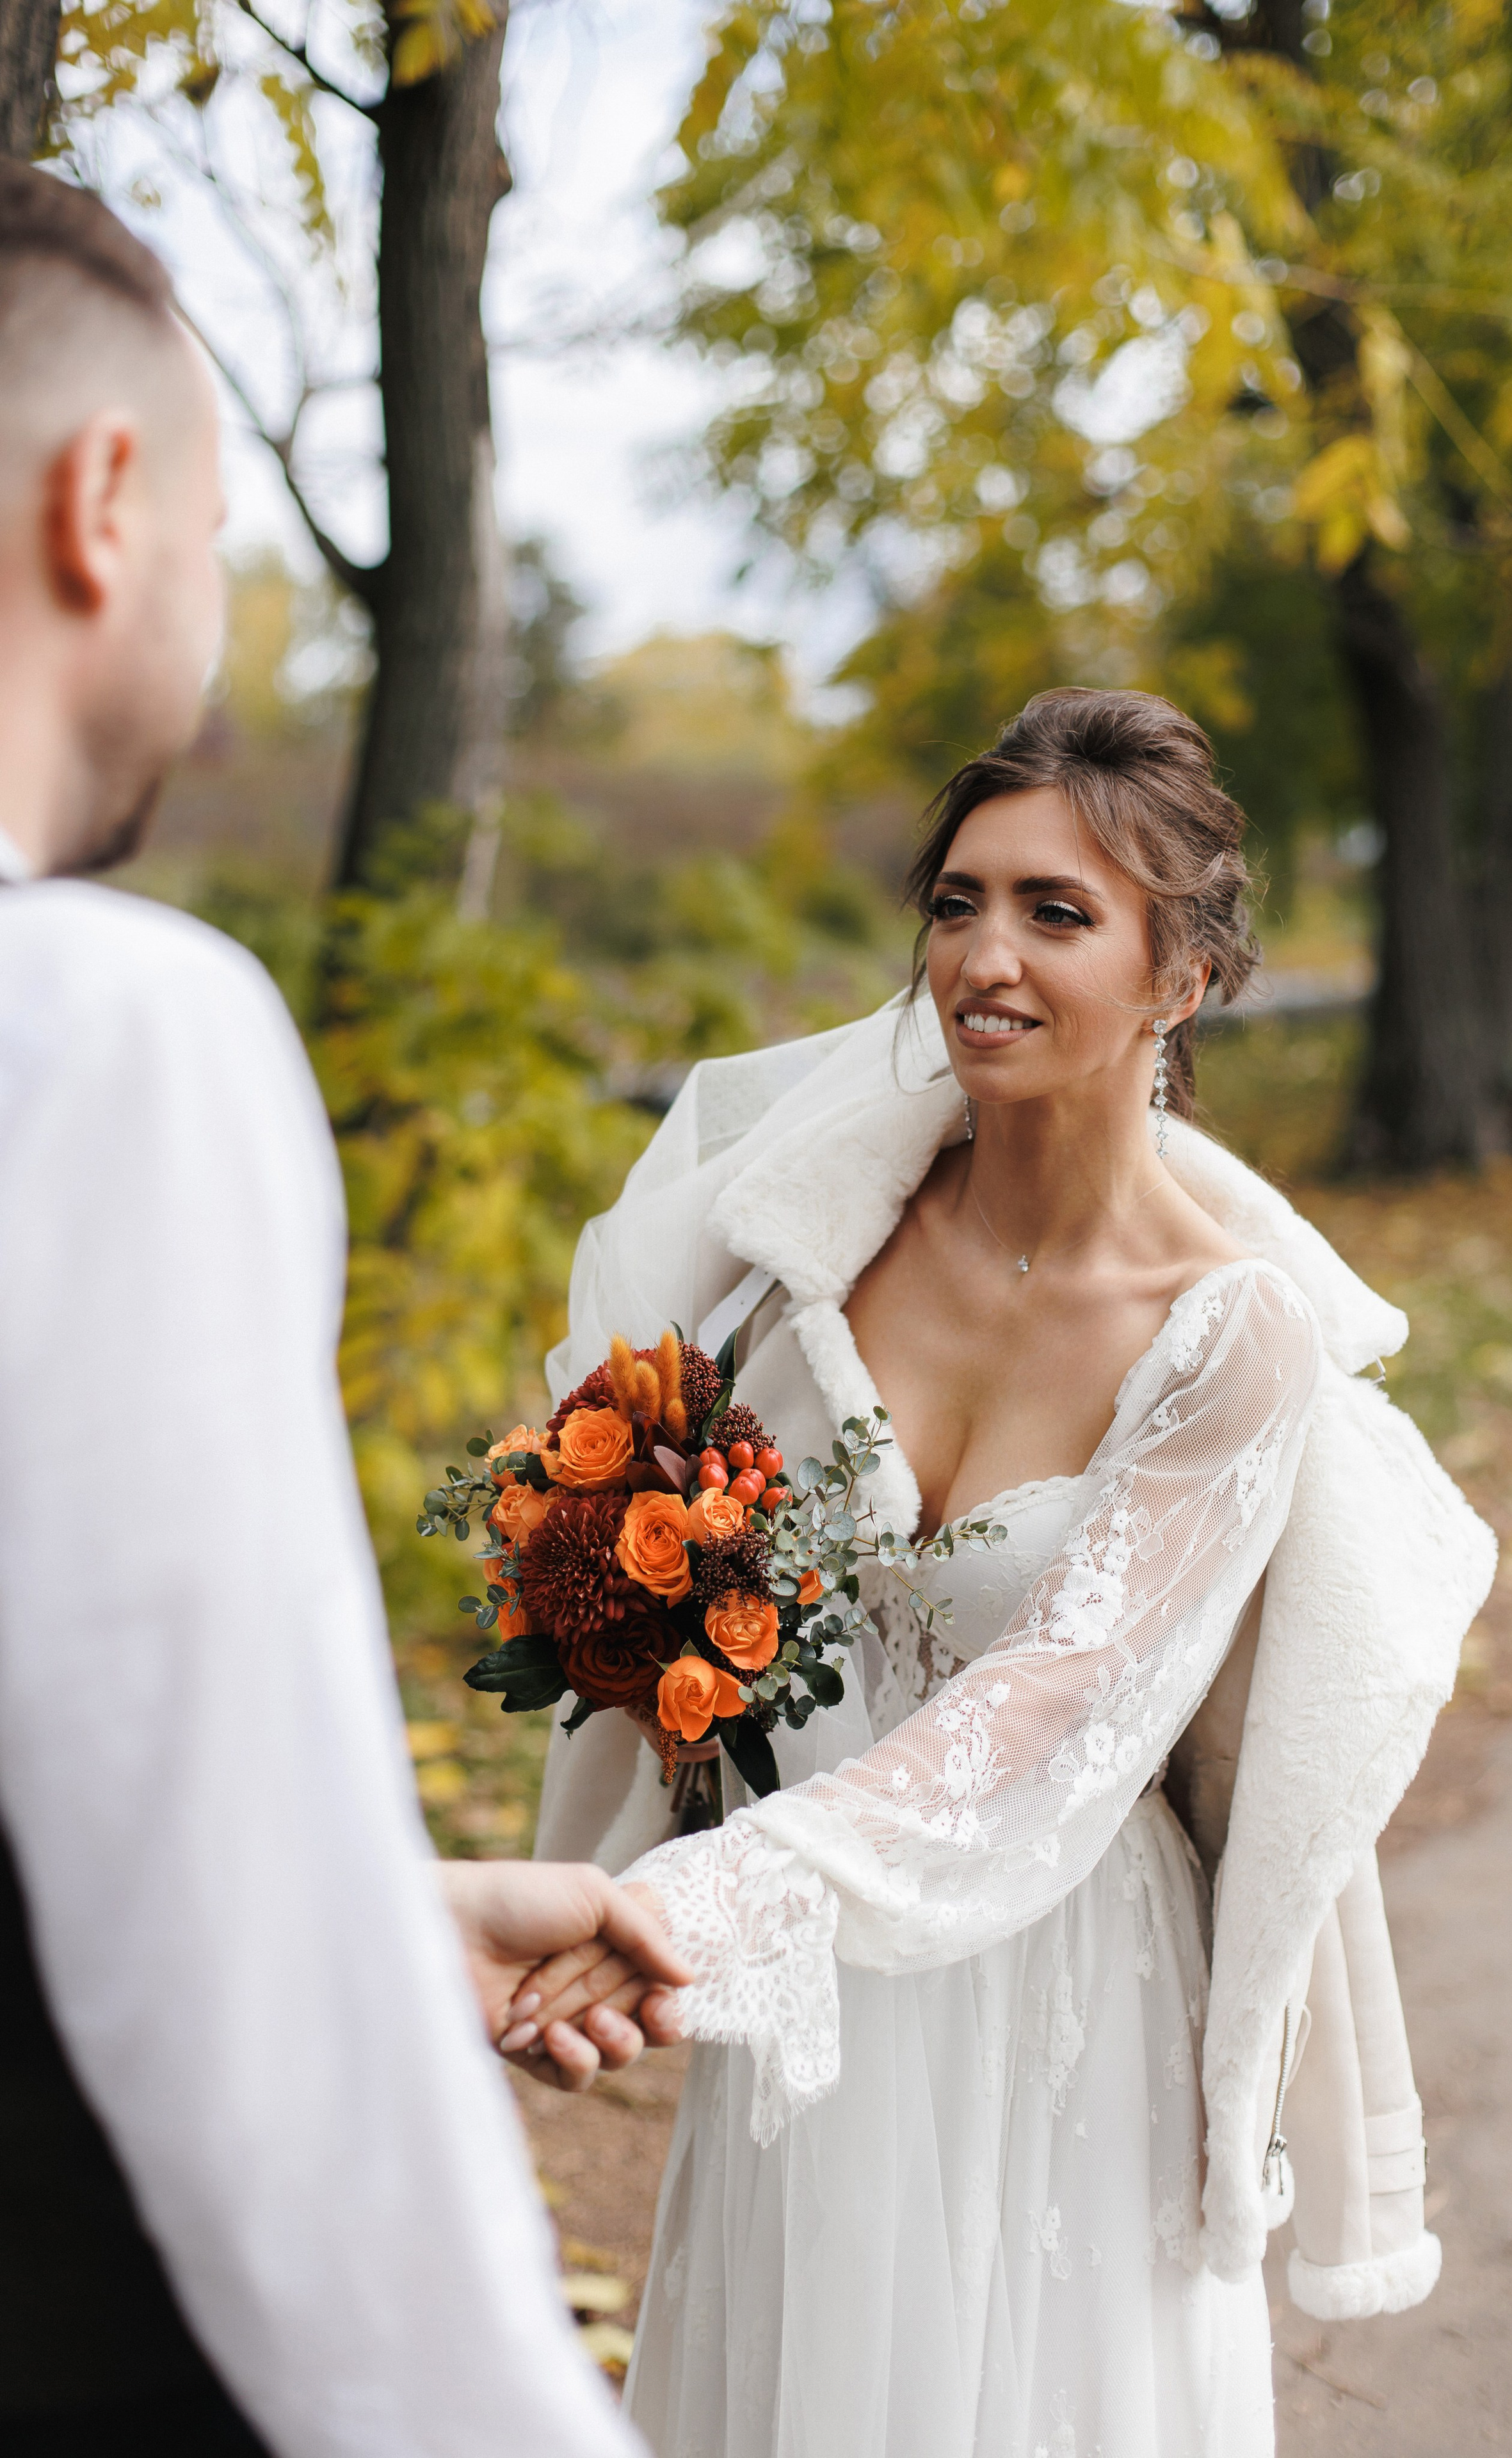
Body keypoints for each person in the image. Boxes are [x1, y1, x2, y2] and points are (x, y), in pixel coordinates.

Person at [518, 690, 1499, 2456]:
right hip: (810, 2003)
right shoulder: (797, 1257)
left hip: (1048, 2003)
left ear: (1180, 976)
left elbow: (1047, 1722)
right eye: (960, 901)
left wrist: (704, 1909)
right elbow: (707, 1607)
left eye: (1058, 913)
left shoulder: (1229, 1339)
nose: (987, 953)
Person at [0, 162, 685, 2455]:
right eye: (222, 537)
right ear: (106, 507)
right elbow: (236, 1993)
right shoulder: (97, 1034)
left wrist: (382, 1915)